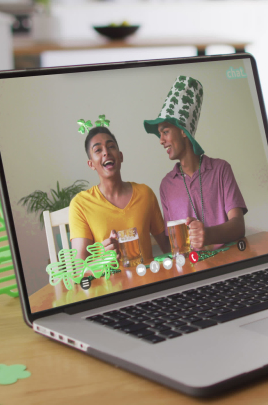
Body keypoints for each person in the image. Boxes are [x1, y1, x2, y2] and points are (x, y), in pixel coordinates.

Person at [143, 76, 247, 251]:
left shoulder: (221, 170)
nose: (161, 140)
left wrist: (207, 235)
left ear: (184, 132)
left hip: (229, 264)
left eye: (165, 132)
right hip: (192, 269)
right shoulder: (166, 186)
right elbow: (171, 244)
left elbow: (238, 225)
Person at [68, 126, 170, 266]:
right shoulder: (80, 204)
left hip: (148, 282)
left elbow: (168, 247)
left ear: (121, 156)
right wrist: (100, 261)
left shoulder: (145, 194)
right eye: (98, 150)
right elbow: (79, 268)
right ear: (91, 164)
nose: (106, 152)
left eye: (111, 146)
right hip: (109, 287)